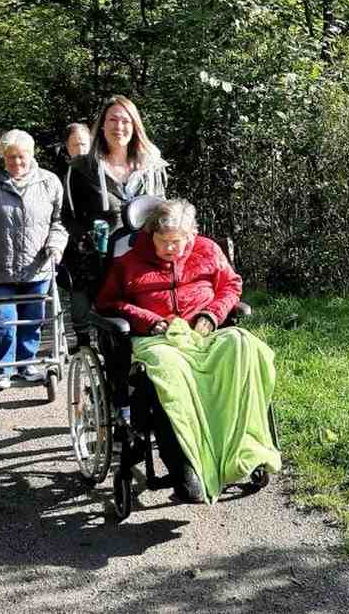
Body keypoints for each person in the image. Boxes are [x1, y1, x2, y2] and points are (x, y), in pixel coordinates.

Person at [95, 199, 281, 504]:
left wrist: (211, 315)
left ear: (191, 235)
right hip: (158, 339)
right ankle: (186, 468)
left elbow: (230, 287)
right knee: (169, 372)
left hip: (205, 334)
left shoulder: (207, 250)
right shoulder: (128, 261)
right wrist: (148, 319)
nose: (172, 249)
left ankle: (244, 450)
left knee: (244, 345)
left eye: (178, 242)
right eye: (164, 242)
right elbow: (108, 303)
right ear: (149, 234)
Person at [0, 129, 68, 391]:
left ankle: (27, 364)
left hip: (38, 266)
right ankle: (3, 370)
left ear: (32, 154)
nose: (17, 163)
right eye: (10, 157)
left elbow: (60, 221)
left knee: (33, 319)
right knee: (2, 320)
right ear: (2, 156)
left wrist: (55, 245)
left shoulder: (49, 181)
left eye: (21, 157)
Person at [64, 97, 167, 345]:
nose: (118, 126)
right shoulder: (81, 167)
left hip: (145, 259)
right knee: (113, 330)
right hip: (102, 262)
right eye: (112, 119)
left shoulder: (151, 166)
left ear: (135, 126)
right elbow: (67, 216)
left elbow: (164, 210)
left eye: (125, 120)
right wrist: (86, 238)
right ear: (101, 125)